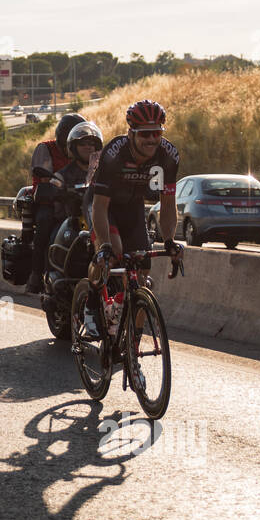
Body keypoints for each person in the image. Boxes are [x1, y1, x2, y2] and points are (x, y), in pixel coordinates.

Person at [86, 99, 184, 342]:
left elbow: (168, 205)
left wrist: (170, 240)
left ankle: (133, 347)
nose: (152, 140)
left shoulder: (168, 156)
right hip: (102, 204)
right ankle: (90, 303)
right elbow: (99, 206)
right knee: (113, 252)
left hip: (132, 206)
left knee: (143, 272)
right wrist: (104, 246)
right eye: (145, 134)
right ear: (131, 134)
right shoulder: (115, 153)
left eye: (157, 133)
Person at [26, 113, 86, 293]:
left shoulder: (85, 152)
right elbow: (44, 181)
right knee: (44, 223)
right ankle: (36, 274)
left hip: (79, 201)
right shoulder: (46, 149)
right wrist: (59, 190)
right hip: (50, 201)